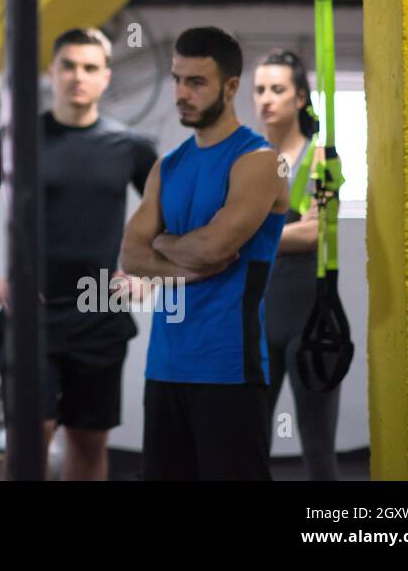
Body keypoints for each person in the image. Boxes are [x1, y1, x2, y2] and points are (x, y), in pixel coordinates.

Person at [0, 27, 157, 479]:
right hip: (32, 319)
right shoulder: (13, 141)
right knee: (30, 444)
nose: (77, 76)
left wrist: (146, 274)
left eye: (90, 67)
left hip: (100, 318)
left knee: (88, 446)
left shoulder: (131, 148)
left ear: (106, 77)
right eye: (68, 65)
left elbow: (174, 216)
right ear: (52, 72)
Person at [121, 26, 289, 480]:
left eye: (196, 82)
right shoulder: (167, 165)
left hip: (228, 368)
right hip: (165, 367)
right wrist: (182, 265)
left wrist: (163, 241)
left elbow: (217, 246)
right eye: (177, 79)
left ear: (231, 87)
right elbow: (131, 257)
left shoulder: (259, 160)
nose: (181, 93)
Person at [254, 48, 341, 479]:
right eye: (259, 90)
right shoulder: (247, 160)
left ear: (300, 97)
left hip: (311, 320)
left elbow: (317, 233)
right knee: (248, 446)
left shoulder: (322, 159)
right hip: (257, 318)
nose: (266, 99)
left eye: (277, 89)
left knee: (319, 449)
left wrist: (252, 237)